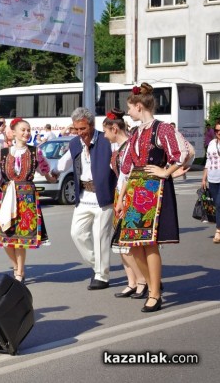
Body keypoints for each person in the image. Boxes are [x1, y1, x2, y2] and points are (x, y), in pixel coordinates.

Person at [115, 82, 191, 312]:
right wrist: (120, 199)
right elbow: (127, 168)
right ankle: (151, 284)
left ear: (139, 106)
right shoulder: (136, 132)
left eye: (129, 108)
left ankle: (154, 293)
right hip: (136, 189)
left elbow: (183, 152)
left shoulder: (162, 129)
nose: (128, 112)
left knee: (149, 244)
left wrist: (165, 172)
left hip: (154, 191)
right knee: (133, 244)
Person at [0, 118, 57, 283]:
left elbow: (46, 172)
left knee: (20, 238)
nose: (26, 133)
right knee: (6, 237)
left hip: (27, 198)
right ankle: (15, 267)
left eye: (28, 130)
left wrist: (52, 177)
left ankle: (19, 271)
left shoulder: (36, 152)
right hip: (8, 198)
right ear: (14, 133)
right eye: (23, 130)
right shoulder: (4, 154)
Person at [52, 107, 117, 291]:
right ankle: (98, 265)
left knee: (100, 235)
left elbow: (120, 160)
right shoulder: (75, 144)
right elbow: (63, 162)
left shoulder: (106, 141)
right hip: (84, 195)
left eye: (82, 129)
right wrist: (53, 172)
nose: (80, 133)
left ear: (91, 125)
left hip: (104, 195)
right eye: (76, 129)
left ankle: (101, 276)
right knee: (77, 233)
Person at [102, 108, 148, 299]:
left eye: (105, 131)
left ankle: (142, 281)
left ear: (114, 129)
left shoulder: (130, 146)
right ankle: (132, 281)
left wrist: (122, 198)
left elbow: (128, 175)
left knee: (130, 243)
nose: (104, 135)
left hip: (130, 196)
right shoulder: (120, 147)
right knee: (121, 243)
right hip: (120, 196)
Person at [201, 119, 220, 243]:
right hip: (213, 178)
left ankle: (218, 231)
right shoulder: (212, 144)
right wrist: (204, 178)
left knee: (219, 204)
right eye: (217, 130)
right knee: (217, 205)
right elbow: (208, 161)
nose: (219, 132)